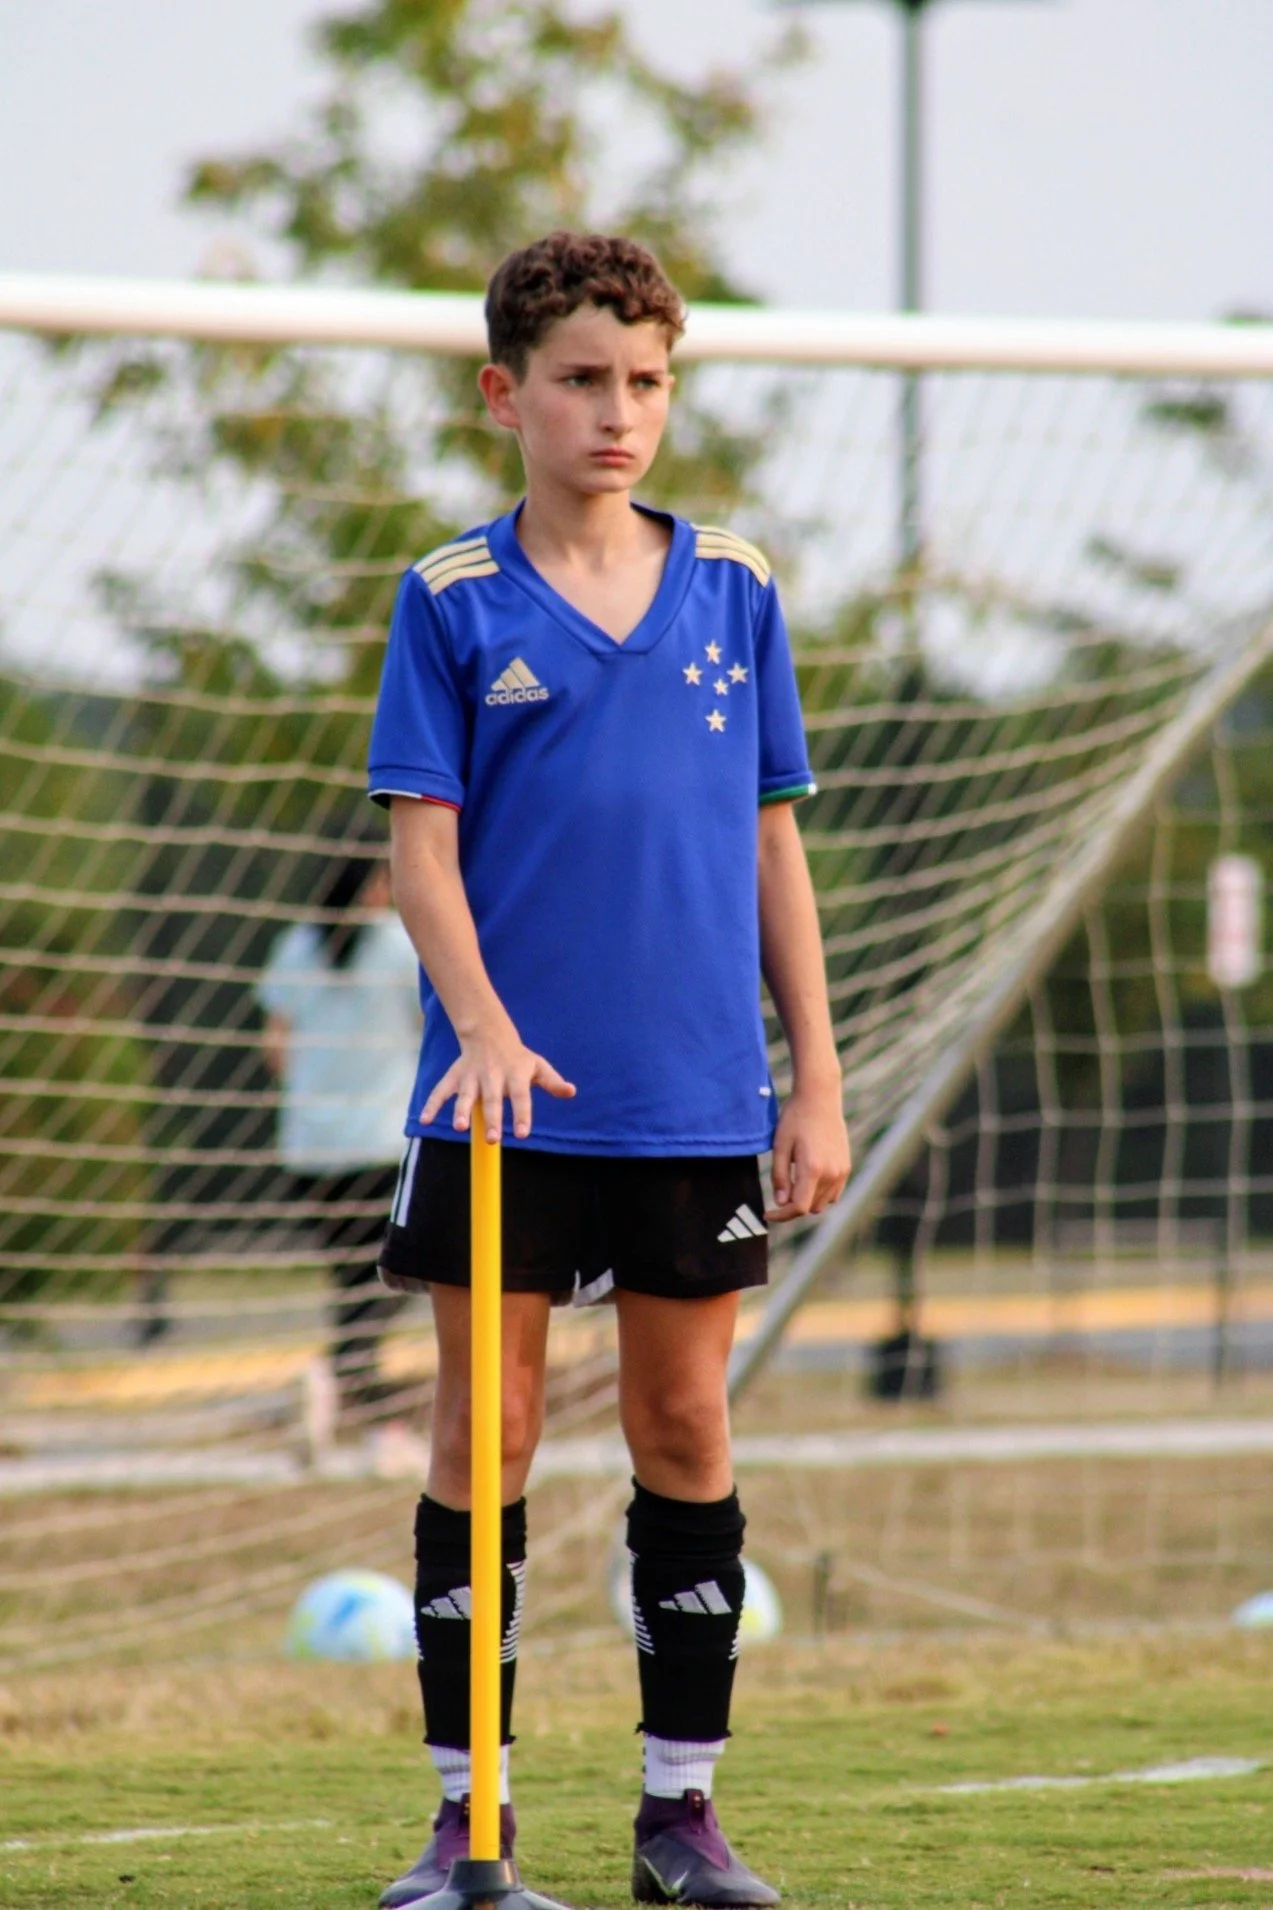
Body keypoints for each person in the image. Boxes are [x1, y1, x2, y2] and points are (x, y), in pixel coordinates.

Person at [369, 231, 851, 1908]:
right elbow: (420, 854)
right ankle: (466, 1825)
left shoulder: (737, 585)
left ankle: (677, 1816)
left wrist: (816, 1081)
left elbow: (772, 848)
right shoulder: (448, 601)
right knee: (481, 1435)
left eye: (644, 381)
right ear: (505, 394)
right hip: (494, 1103)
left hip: (696, 1095)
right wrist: (485, 1024)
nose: (617, 411)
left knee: (683, 1428)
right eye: (580, 379)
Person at [257, 850, 421, 1423]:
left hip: (311, 1146)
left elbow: (274, 1048)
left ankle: (349, 1383)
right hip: (381, 1140)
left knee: (347, 1273)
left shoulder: (295, 946)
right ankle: (340, 1376)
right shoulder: (401, 943)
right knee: (387, 1272)